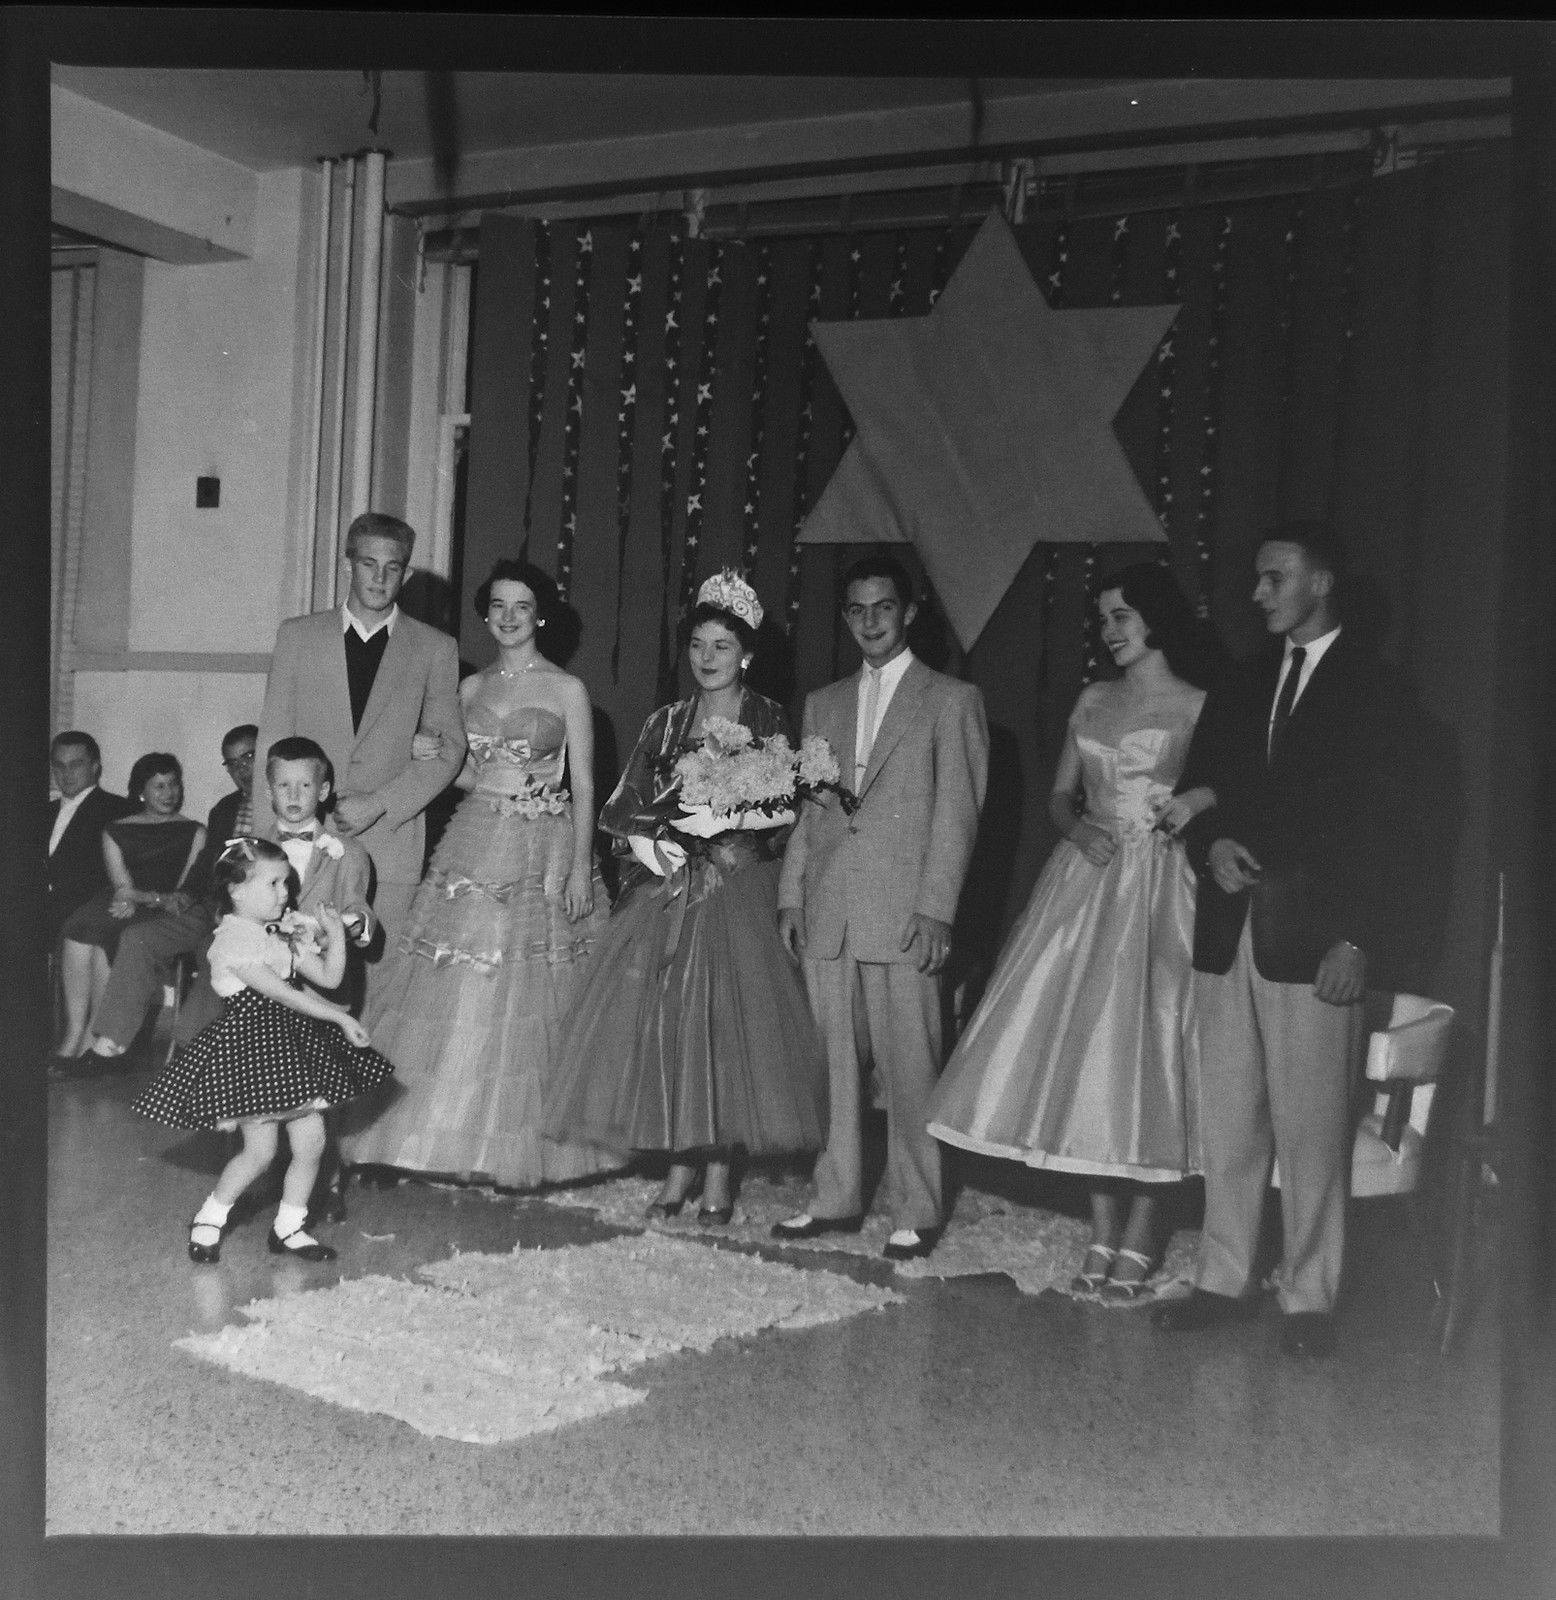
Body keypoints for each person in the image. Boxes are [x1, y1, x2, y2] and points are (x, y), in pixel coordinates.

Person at [926, 564, 1222, 1298]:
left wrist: (1195, 800)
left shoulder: (1199, 703)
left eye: (1121, 617)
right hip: (1084, 883)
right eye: (1103, 621)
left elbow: (1229, 789)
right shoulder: (1093, 699)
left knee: (1145, 1056)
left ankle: (1143, 1232)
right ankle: (1100, 1231)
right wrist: (1078, 830)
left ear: (1156, 618)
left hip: (1159, 887)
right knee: (1083, 1057)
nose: (1109, 632)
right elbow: (1060, 798)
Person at [1153, 521, 1408, 1359]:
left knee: (1312, 1129)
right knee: (1228, 1122)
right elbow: (1201, 792)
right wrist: (1210, 844)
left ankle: (1309, 1298)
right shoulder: (1243, 678)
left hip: (1314, 942)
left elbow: (1393, 830)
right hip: (1229, 934)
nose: (1258, 593)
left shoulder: (1376, 692)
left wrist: (1358, 940)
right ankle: (1222, 1280)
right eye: (1257, 579)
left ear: (1322, 581)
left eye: (1276, 577)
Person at [543, 571, 827, 1222]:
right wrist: (660, 846)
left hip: (740, 889)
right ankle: (678, 1167)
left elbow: (788, 811)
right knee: (674, 1030)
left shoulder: (768, 719)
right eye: (698, 644)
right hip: (674, 889)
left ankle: (722, 1171)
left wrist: (735, 827)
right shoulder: (667, 722)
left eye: (722, 646)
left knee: (727, 1030)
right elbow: (626, 810)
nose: (707, 657)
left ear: (747, 653)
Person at [338, 560, 619, 1191]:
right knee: (457, 987)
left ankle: (518, 1145)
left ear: (540, 613)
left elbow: (587, 784)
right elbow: (468, 775)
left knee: (526, 994)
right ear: (486, 614)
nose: (510, 617)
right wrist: (433, 754)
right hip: (475, 839)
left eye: (522, 605)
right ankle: (432, 1137)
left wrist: (579, 864)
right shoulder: (468, 690)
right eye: (498, 605)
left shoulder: (566, 689)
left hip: (543, 844)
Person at [774, 552, 988, 1261]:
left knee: (909, 1068)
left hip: (904, 915)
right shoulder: (823, 703)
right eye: (857, 610)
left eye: (884, 608)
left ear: (910, 613)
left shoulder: (950, 700)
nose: (871, 622)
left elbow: (959, 815)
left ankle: (916, 1207)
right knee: (832, 1067)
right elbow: (810, 810)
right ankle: (834, 1197)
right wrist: (791, 894)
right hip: (830, 909)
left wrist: (938, 910)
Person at [132, 837, 393, 1264]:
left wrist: (333, 935)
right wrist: (341, 1019)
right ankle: (209, 1219)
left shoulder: (277, 935)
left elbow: (329, 979)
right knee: (260, 1152)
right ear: (236, 890)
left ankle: (289, 1227)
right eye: (272, 884)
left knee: (312, 1142)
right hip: (253, 1051)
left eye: (287, 883)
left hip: (291, 1047)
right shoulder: (232, 940)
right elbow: (282, 994)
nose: (284, 894)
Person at [254, 511, 466, 999]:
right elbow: (272, 740)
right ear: (348, 564)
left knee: (374, 982)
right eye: (369, 563)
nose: (379, 577)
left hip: (389, 839)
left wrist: (380, 803)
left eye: (393, 568)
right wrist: (262, 840)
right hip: (296, 837)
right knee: (286, 974)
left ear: (406, 574)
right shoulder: (298, 636)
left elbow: (449, 748)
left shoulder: (435, 647)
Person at [84, 724, 258, 1064]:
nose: (242, 769)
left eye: (249, 757)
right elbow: (206, 865)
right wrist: (182, 896)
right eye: (233, 762)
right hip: (209, 906)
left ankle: (192, 1047)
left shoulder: (283, 802)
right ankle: (111, 1046)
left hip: (251, 915)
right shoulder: (224, 810)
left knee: (217, 951)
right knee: (137, 937)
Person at [55, 753, 205, 1065]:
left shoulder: (195, 831)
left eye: (173, 785)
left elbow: (184, 894)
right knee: (78, 927)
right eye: (159, 787)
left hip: (163, 910)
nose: (169, 793)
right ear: (141, 791)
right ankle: (72, 1034)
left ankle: (93, 1038)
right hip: (125, 899)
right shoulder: (116, 829)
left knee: (113, 936)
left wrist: (145, 898)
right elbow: (122, 886)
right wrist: (131, 896)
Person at [47, 731, 133, 952]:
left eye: (75, 765)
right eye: (59, 765)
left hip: (85, 920)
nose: (66, 773)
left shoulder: (118, 810)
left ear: (95, 767)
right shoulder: (40, 813)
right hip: (33, 916)